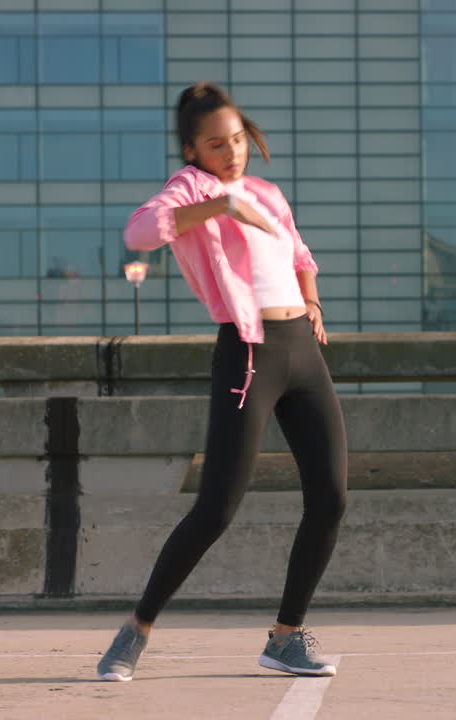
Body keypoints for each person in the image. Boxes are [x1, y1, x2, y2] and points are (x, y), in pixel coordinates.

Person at [96, 82, 346, 681]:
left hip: (302, 353)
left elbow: (300, 255)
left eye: (237, 138)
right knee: (216, 509)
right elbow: (139, 233)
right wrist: (220, 207)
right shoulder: (191, 191)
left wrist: (311, 302)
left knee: (331, 498)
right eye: (216, 144)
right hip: (250, 354)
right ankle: (135, 631)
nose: (232, 152)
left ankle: (285, 638)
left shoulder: (267, 191)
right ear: (193, 150)